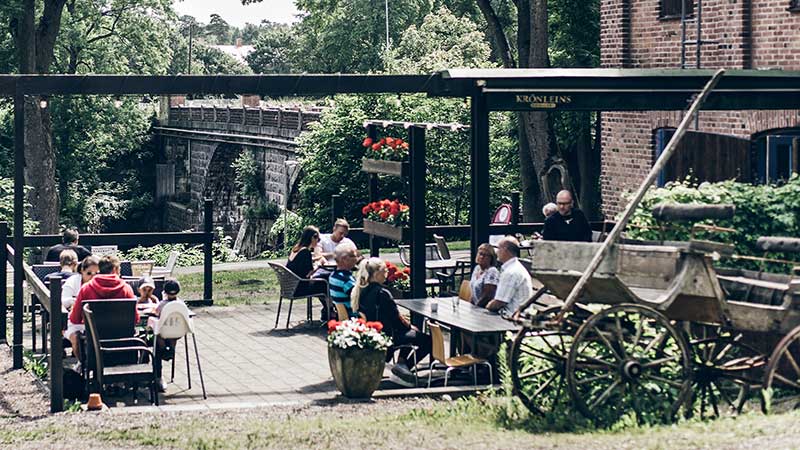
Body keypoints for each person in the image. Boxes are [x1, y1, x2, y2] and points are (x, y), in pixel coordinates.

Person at [354, 257, 431, 381]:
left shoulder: (362, 291)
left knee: (411, 333)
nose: (386, 274)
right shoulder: (382, 293)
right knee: (428, 340)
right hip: (389, 336)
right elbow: (396, 319)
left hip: (375, 333)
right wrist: (410, 326)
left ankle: (401, 363)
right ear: (377, 273)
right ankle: (404, 366)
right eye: (385, 271)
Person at [66, 254, 136, 367]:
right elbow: (135, 319)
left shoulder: (86, 289)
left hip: (94, 346)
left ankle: (83, 367)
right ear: (115, 269)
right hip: (123, 347)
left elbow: (75, 319)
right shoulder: (126, 289)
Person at [485, 237, 533, 317]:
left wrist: (487, 307)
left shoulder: (511, 272)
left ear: (505, 250)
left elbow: (499, 303)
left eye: (498, 248)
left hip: (513, 318)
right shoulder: (513, 267)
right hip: (513, 315)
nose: (496, 252)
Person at [152, 279, 184, 391]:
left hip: (163, 331)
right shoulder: (181, 304)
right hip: (177, 332)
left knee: (159, 334)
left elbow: (156, 312)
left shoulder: (162, 304)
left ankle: (162, 350)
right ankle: (171, 349)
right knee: (172, 335)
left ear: (164, 292)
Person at [328, 242, 359, 315]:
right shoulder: (346, 280)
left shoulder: (333, 275)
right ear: (344, 259)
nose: (356, 258)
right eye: (353, 256)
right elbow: (359, 296)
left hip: (342, 314)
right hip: (353, 315)